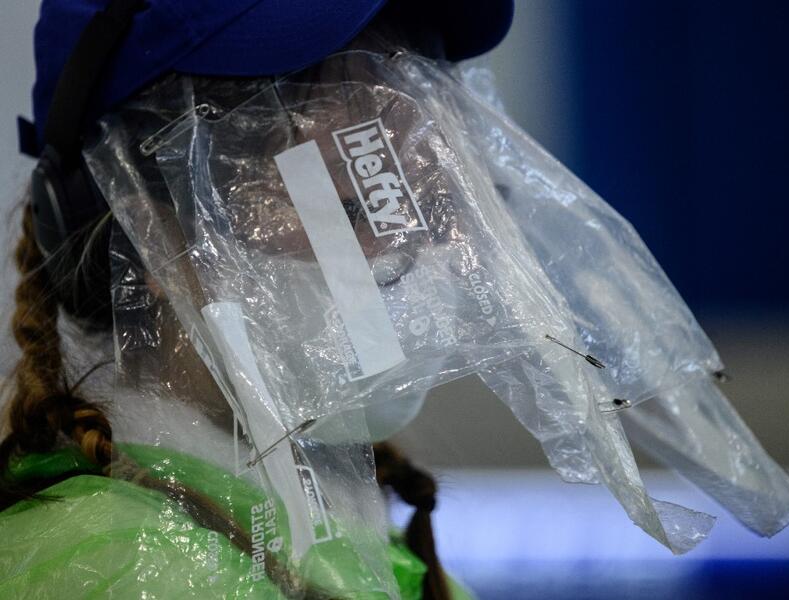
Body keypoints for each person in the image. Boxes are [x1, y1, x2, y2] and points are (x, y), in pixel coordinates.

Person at [0, 1, 515, 598]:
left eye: (427, 196)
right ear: (155, 237)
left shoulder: (375, 562)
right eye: (351, 207)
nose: (407, 247)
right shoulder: (116, 569)